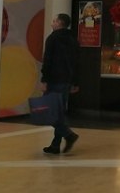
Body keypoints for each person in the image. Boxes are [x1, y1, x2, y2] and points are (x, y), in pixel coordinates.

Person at [40, 13, 80, 155]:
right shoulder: (73, 39)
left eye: (54, 20)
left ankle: (69, 135)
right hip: (66, 81)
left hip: (53, 80)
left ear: (59, 23)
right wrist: (75, 82)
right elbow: (76, 62)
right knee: (59, 113)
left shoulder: (53, 38)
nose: (52, 22)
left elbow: (48, 60)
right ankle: (55, 145)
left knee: (47, 111)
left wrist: (44, 79)